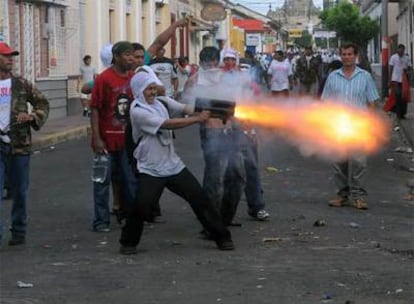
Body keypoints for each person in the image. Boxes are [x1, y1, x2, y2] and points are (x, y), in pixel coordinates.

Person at [119, 71, 234, 254]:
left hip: (172, 164)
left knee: (200, 199)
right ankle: (128, 243)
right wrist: (198, 119)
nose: (152, 92)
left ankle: (222, 237)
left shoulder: (162, 102)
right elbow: (167, 124)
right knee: (141, 206)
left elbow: (183, 108)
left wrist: (208, 110)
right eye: (148, 89)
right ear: (139, 91)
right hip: (150, 168)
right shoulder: (138, 111)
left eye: (153, 88)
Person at [0, 42, 49, 246]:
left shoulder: (21, 83)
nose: (11, 59)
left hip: (19, 143)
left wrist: (31, 117)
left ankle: (18, 230)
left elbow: (42, 103)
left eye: (12, 56)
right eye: (6, 56)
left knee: (19, 191)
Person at [321, 42, 379, 210]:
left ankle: (358, 196)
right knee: (339, 162)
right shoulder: (333, 77)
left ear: (356, 56)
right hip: (338, 125)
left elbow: (371, 103)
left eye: (349, 54)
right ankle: (342, 195)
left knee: (359, 162)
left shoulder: (365, 76)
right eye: (344, 54)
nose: (346, 57)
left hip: (359, 126)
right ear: (341, 56)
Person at [90, 41, 137, 232]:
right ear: (116, 57)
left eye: (132, 55)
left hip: (128, 142)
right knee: (102, 182)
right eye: (127, 55)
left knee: (129, 181)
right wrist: (97, 138)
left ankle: (128, 217)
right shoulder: (104, 79)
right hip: (106, 141)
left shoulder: (135, 78)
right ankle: (101, 221)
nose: (131, 58)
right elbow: (94, 108)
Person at [388, 44, 411, 120]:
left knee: (404, 97)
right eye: (399, 50)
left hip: (404, 81)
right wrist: (390, 80)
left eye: (402, 50)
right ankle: (398, 114)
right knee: (398, 96)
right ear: (397, 50)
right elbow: (391, 68)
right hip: (395, 80)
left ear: (404, 50)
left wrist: (408, 71)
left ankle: (402, 114)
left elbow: (409, 68)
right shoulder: (393, 57)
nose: (401, 52)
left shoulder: (406, 58)